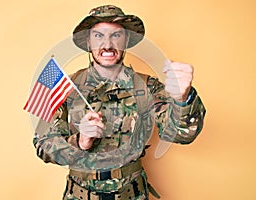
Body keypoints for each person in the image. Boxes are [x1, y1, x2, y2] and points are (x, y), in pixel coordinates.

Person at [32, 5, 206, 200]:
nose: (107, 45)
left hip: (132, 195)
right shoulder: (66, 87)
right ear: (88, 42)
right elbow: (43, 145)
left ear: (127, 40)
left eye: (116, 35)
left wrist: (182, 99)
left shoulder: (147, 87)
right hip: (79, 196)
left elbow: (182, 134)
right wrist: (80, 142)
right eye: (98, 36)